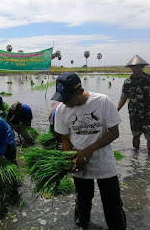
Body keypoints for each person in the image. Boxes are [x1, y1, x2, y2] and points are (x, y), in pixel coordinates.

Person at [52, 72, 126, 230]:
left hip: (104, 162)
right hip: (80, 163)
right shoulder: (61, 110)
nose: (64, 102)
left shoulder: (102, 101)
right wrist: (70, 159)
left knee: (112, 203)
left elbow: (114, 132)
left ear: (80, 91)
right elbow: (65, 139)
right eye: (61, 98)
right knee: (82, 202)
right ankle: (83, 225)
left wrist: (91, 149)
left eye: (67, 98)